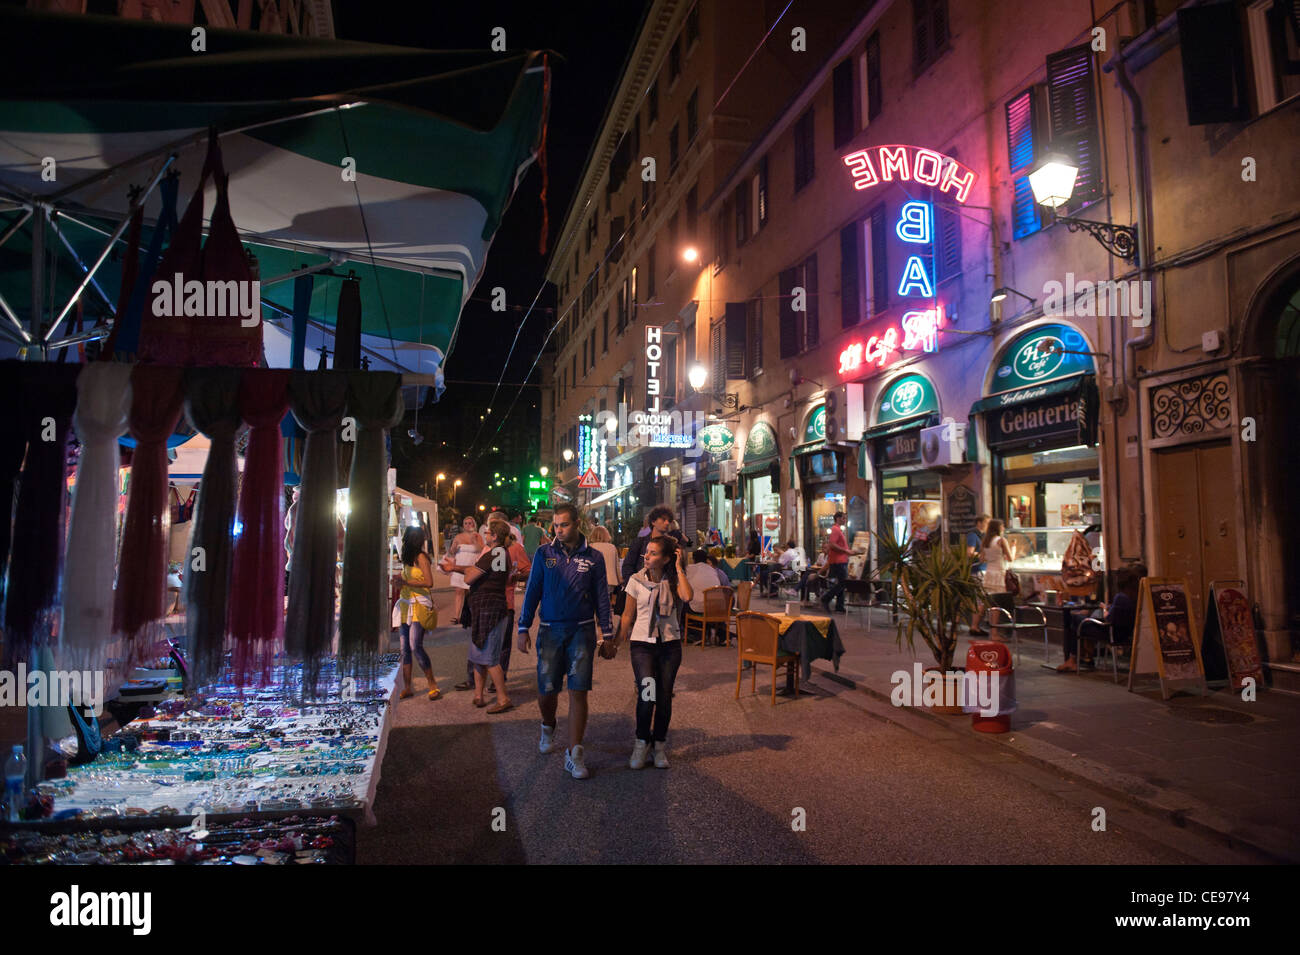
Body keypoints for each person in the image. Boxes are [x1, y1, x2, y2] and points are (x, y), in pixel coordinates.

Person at [516, 502, 615, 779]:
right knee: (546, 692)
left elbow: (602, 599)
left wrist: (607, 634)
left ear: (577, 524)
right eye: (556, 525)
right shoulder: (543, 554)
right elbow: (533, 589)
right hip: (549, 631)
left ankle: (575, 754)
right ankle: (548, 725)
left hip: (582, 633)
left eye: (564, 524)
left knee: (578, 691)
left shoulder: (594, 558)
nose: (559, 530)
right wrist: (523, 627)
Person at [615, 535, 693, 769]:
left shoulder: (674, 580)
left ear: (666, 558)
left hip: (670, 644)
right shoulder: (636, 580)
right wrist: (616, 643)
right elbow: (628, 615)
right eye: (646, 552)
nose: (646, 556)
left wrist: (679, 568)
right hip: (643, 645)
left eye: (653, 553)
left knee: (664, 697)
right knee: (647, 694)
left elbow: (688, 597)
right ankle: (641, 742)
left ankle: (659, 745)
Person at [463, 520, 516, 712]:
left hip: (489, 610)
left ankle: (503, 698)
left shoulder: (495, 553)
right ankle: (479, 695)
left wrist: (467, 571)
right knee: (479, 652)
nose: (485, 535)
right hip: (491, 608)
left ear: (494, 536)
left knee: (490, 657)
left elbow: (469, 578)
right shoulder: (502, 553)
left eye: (487, 533)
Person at [1058, 563, 1145, 672]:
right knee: (1083, 620)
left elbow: (1109, 619)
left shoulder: (1121, 597)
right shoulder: (1138, 597)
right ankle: (1085, 657)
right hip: (1127, 633)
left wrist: (1105, 609)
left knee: (1077, 620)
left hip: (1111, 633)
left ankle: (1073, 660)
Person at [396, 526, 441, 701]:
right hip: (406, 605)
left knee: (415, 646)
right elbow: (407, 580)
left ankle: (432, 684)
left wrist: (406, 582)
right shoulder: (408, 558)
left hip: (419, 606)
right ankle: (407, 687)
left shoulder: (421, 557)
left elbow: (429, 582)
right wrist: (400, 582)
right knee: (404, 649)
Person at [621, 505, 688, 583]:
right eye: (663, 519)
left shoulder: (671, 545)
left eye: (669, 520)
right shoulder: (640, 543)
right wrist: (634, 587)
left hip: (664, 589)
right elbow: (627, 567)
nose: (667, 523)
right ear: (653, 522)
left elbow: (675, 571)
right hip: (641, 589)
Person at [442, 516, 481, 637]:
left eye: (470, 523)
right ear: (463, 525)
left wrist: (475, 541)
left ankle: (470, 616)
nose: (468, 525)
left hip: (471, 567)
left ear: (474, 524)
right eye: (466, 523)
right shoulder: (458, 537)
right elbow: (452, 551)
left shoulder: (478, 536)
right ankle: (456, 616)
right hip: (459, 565)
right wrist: (454, 548)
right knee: (459, 592)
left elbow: (482, 550)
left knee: (471, 592)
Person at [819, 512, 860, 614]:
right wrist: (846, 551)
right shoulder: (836, 530)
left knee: (841, 583)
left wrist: (849, 551)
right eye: (843, 518)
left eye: (845, 518)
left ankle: (839, 606)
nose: (844, 520)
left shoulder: (838, 530)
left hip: (841, 560)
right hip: (838, 561)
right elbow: (832, 544)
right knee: (842, 583)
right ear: (837, 518)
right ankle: (826, 598)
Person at [587, 524, 622, 623]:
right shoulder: (612, 547)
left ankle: (597, 621)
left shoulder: (590, 547)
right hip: (610, 580)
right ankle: (605, 622)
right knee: (606, 601)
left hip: (594, 580)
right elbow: (617, 566)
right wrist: (619, 580)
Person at [967, 514, 991, 634]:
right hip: (978, 570)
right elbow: (969, 552)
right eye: (986, 522)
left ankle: (977, 625)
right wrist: (983, 556)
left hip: (984, 569)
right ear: (979, 523)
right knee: (980, 599)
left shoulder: (984, 536)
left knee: (982, 599)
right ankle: (974, 626)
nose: (988, 525)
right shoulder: (973, 535)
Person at [981, 518, 1016, 599]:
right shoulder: (1001, 540)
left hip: (989, 574)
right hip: (999, 573)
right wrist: (1013, 547)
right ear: (998, 528)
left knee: (989, 600)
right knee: (999, 600)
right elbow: (1010, 558)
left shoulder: (985, 541)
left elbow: (982, 559)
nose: (1003, 528)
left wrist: (992, 557)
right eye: (1002, 526)